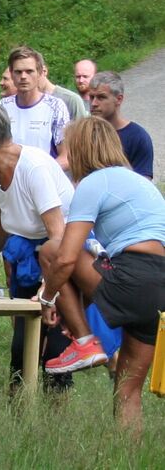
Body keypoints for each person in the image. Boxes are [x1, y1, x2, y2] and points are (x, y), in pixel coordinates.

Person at [37, 117, 164, 432]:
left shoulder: (95, 181)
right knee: (127, 389)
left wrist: (47, 297)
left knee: (50, 249)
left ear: (79, 149)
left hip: (133, 277)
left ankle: (84, 341)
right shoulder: (139, 182)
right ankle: (129, 462)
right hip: (159, 288)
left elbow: (65, 258)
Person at [0, 101, 77, 391]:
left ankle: (55, 420)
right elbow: (3, 219)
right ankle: (20, 412)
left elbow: (58, 236)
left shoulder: (33, 167)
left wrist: (47, 293)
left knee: (56, 350)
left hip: (60, 261)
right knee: (22, 346)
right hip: (28, 257)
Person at [0, 46, 70, 168]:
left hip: (44, 180)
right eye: (18, 72)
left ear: (40, 73)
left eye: (29, 71)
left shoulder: (56, 107)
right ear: (11, 73)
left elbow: (67, 157)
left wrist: (38, 173)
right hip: (10, 182)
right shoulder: (2, 107)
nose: (23, 76)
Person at [87, 71, 153, 180]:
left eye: (101, 97)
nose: (94, 103)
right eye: (91, 97)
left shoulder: (138, 137)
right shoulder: (85, 135)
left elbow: (144, 186)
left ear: (119, 99)